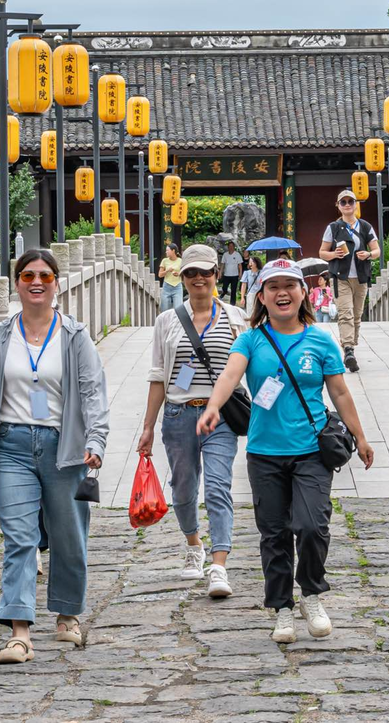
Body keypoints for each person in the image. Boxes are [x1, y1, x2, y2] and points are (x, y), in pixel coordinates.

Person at [0, 248, 109, 663]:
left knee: (69, 536)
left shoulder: (74, 335)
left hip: (63, 448)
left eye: (45, 276)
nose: (36, 282)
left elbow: (92, 392)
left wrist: (96, 440)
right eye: (28, 275)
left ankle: (67, 614)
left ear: (56, 284)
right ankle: (20, 633)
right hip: (11, 446)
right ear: (16, 283)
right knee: (20, 538)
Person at [197, 259, 373, 645]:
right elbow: (230, 374)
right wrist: (213, 406)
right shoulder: (250, 340)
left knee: (312, 526)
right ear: (261, 297)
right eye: (273, 286)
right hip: (264, 453)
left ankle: (310, 593)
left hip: (311, 450)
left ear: (303, 293)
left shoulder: (320, 340)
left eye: (289, 285)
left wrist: (360, 437)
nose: (282, 293)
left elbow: (340, 392)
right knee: (273, 534)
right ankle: (282, 608)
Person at [135, 244, 245, 600]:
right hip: (179, 413)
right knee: (183, 487)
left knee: (217, 486)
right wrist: (148, 426)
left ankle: (219, 565)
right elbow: (158, 376)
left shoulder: (235, 318)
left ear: (217, 275)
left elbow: (249, 365)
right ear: (181, 277)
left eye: (206, 272)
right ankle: (194, 544)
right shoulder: (167, 321)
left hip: (221, 416)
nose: (199, 278)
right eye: (191, 273)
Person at [318, 191, 380, 373]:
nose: (347, 205)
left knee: (357, 315)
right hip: (340, 277)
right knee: (346, 313)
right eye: (343, 202)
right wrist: (334, 254)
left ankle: (351, 345)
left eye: (350, 201)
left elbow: (376, 250)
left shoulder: (365, 226)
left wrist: (368, 254)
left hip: (360, 277)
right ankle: (348, 350)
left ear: (355, 204)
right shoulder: (333, 228)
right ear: (338, 205)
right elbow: (322, 252)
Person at [156, 246, 183, 313]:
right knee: (164, 310)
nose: (166, 252)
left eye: (167, 250)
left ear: (173, 251)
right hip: (166, 287)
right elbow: (160, 275)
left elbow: (185, 274)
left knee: (178, 309)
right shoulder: (164, 261)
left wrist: (178, 274)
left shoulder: (181, 261)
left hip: (177, 287)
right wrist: (167, 270)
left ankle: (176, 320)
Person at [220, 241, 243, 305]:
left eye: (232, 246)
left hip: (235, 275)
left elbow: (240, 265)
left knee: (233, 290)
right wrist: (220, 272)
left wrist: (240, 273)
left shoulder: (237, 254)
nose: (231, 247)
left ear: (234, 247)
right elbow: (222, 264)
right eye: (229, 246)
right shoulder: (225, 254)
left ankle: (232, 304)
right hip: (226, 275)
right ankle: (224, 292)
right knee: (224, 287)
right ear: (228, 247)